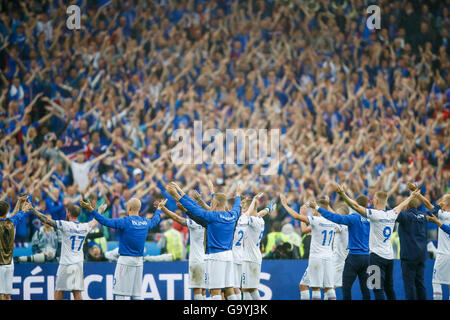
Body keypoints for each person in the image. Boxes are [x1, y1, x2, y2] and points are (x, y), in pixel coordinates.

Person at [336, 184, 416, 300]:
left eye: (373, 200)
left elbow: (355, 206)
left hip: (376, 257)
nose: (372, 202)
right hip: (389, 257)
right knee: (389, 288)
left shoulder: (375, 214)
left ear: (377, 200)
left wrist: (343, 194)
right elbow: (402, 204)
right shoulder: (392, 213)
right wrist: (412, 195)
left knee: (377, 289)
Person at [165, 181, 242, 300]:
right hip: (229, 255)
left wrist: (176, 196)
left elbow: (194, 209)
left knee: (215, 290)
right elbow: (238, 205)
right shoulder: (233, 215)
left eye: (212, 202)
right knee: (229, 289)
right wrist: (238, 195)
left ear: (215, 203)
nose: (211, 204)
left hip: (216, 256)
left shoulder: (212, 217)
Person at [80, 196, 162, 300]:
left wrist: (92, 210)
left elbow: (106, 221)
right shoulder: (146, 222)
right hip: (139, 262)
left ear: (129, 208)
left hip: (125, 261)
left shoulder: (125, 221)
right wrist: (158, 209)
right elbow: (155, 220)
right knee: (137, 295)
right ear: (139, 209)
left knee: (120, 294)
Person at [311, 193, 371, 300]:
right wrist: (328, 205)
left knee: (339, 287)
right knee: (364, 288)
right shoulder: (369, 218)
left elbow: (336, 218)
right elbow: (336, 216)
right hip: (365, 256)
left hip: (343, 260)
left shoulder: (350, 220)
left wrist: (318, 209)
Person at [280, 194, 340, 301]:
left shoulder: (316, 220)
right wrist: (328, 204)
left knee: (314, 288)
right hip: (329, 257)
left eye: (315, 209)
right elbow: (337, 225)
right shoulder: (332, 221)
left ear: (318, 209)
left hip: (317, 258)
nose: (313, 211)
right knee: (329, 288)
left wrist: (285, 205)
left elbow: (296, 217)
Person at [395, 183, 442, 300]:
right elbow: (435, 209)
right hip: (421, 256)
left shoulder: (405, 216)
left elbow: (394, 212)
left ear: (406, 207)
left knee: (409, 285)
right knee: (420, 284)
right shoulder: (423, 215)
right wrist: (418, 194)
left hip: (408, 257)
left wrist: (410, 197)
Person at [159, 199, 206, 300]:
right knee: (203, 289)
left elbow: (176, 218)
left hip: (196, 260)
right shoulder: (208, 221)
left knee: (197, 289)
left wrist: (163, 208)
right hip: (206, 259)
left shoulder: (194, 223)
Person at [242, 199, 274, 300]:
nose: (244, 210)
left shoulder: (252, 220)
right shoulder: (260, 219)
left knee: (245, 289)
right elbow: (261, 213)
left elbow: (243, 217)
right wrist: (268, 209)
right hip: (255, 256)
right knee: (253, 289)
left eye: (245, 208)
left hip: (248, 258)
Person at [0, 199, 31, 300]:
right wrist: (22, 207)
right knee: (8, 295)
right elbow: (17, 215)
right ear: (6, 213)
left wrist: (19, 204)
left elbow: (14, 214)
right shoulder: (11, 222)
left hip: (0, 264)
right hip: (9, 262)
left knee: (0, 294)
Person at [425, 194, 450, 300]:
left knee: (436, 282)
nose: (440, 202)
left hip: (443, 254)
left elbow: (428, 205)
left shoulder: (444, 215)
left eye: (442, 200)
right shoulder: (443, 215)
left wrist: (417, 195)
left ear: (447, 203)